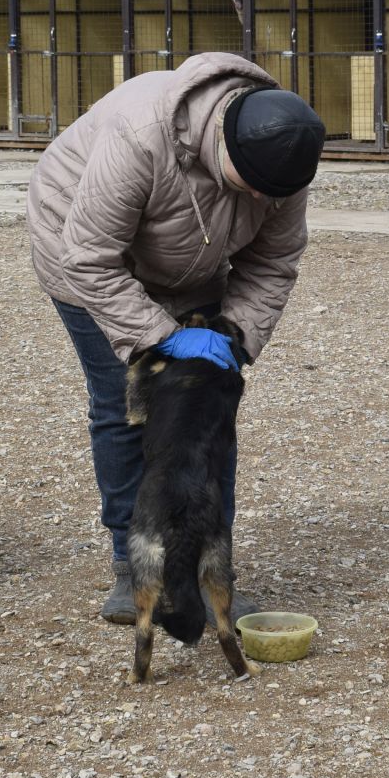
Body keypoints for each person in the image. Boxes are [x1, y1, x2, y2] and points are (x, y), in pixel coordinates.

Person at [26, 52, 325, 624]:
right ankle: (131, 569)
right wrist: (162, 337)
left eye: (274, 195)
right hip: (84, 253)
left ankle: (210, 571)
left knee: (206, 413)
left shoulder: (282, 158)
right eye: (254, 189)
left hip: (193, 269)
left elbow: (274, 262)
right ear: (224, 149)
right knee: (124, 405)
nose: (264, 202)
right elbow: (89, 260)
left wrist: (235, 336)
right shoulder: (140, 137)